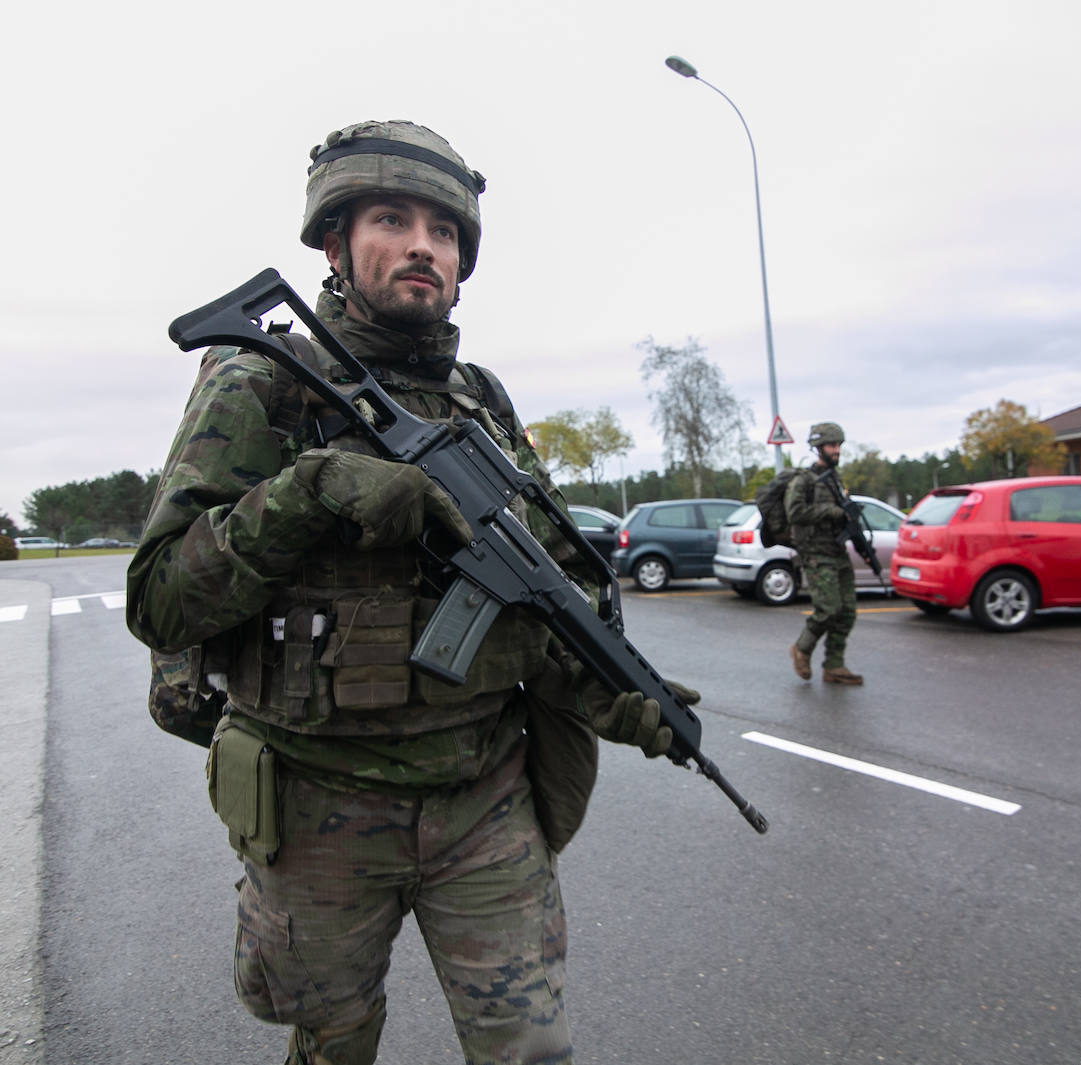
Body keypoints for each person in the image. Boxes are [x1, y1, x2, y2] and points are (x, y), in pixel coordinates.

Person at [127, 119, 679, 1065]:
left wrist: (618, 697)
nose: (425, 244)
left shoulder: (482, 401)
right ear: (336, 244)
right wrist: (309, 491)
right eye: (393, 218)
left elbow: (537, 591)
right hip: (316, 809)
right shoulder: (262, 381)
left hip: (484, 799)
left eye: (447, 230)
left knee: (533, 1049)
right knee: (334, 1043)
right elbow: (163, 599)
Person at [785, 422, 864, 685]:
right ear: (819, 448)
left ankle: (834, 665)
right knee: (828, 608)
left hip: (837, 551)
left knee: (847, 611)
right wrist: (829, 512)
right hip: (816, 554)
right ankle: (802, 648)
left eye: (839, 445)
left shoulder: (836, 479)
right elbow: (794, 513)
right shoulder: (803, 480)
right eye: (832, 445)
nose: (837, 450)